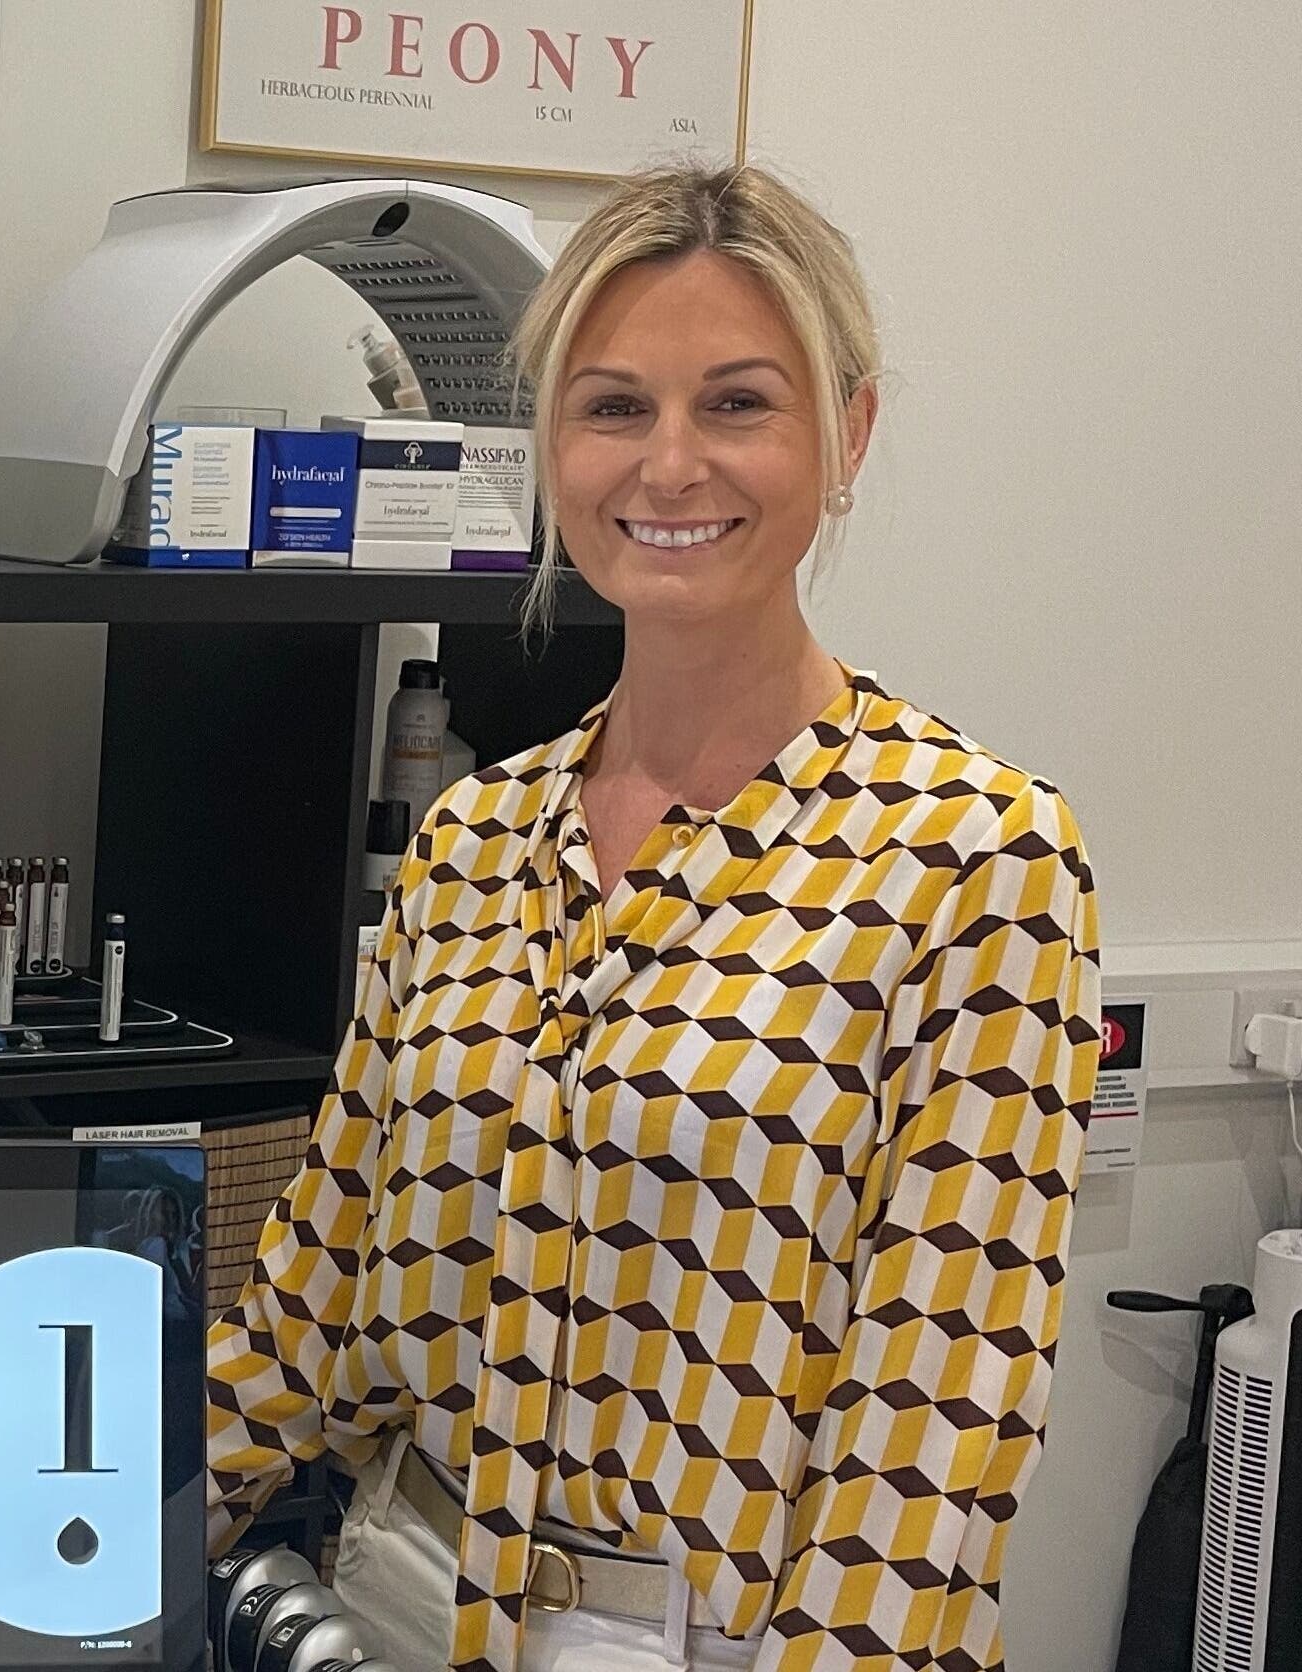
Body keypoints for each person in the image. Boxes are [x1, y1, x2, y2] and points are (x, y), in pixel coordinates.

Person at [205, 164, 1101, 1672]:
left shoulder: (974, 859)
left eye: (738, 404)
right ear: (553, 443)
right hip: (397, 1598)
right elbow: (323, 1283)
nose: (669, 465)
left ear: (849, 433)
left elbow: (926, 1445)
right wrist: (61, 1543)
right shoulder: (476, 843)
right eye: (613, 407)